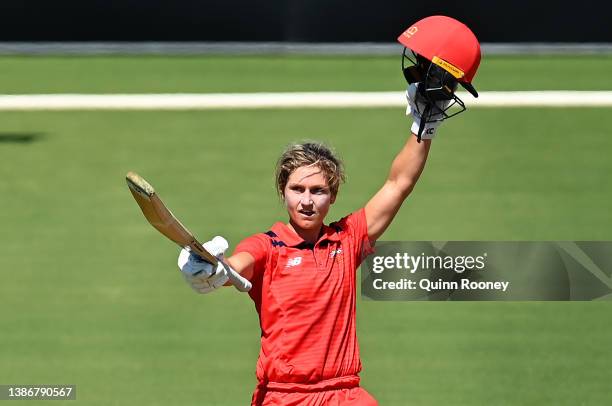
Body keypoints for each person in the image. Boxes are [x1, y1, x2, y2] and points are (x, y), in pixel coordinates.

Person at [178, 15, 481, 406]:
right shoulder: (267, 246)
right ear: (283, 192)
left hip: (345, 395)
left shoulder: (349, 238)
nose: (307, 200)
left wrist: (423, 128)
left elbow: (398, 185)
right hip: (283, 397)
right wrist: (212, 272)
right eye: (297, 189)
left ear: (333, 196)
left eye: (318, 190)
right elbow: (237, 266)